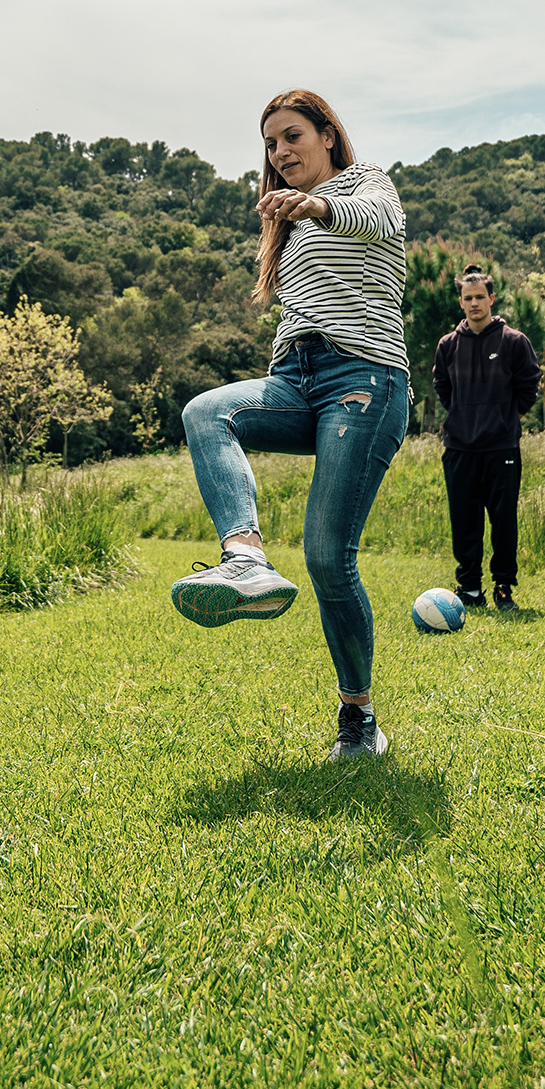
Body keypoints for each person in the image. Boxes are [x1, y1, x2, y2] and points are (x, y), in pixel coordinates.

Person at [171, 89, 408, 760]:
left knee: (329, 558)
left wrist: (317, 204)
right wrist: (297, 217)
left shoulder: (366, 185)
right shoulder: (286, 224)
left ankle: (358, 718)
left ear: (328, 135)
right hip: (297, 379)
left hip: (365, 378)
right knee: (206, 412)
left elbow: (374, 219)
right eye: (271, 144)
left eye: (292, 136)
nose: (280, 152)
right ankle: (244, 560)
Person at [431, 265, 541, 613]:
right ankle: (470, 588)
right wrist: (463, 414)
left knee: (503, 519)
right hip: (459, 445)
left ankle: (504, 587)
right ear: (460, 302)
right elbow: (442, 387)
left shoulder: (513, 341)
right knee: (464, 521)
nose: (474, 303)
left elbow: (529, 386)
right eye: (468, 298)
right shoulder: (448, 345)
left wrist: (504, 417)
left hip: (501, 445)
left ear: (492, 299)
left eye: (480, 297)